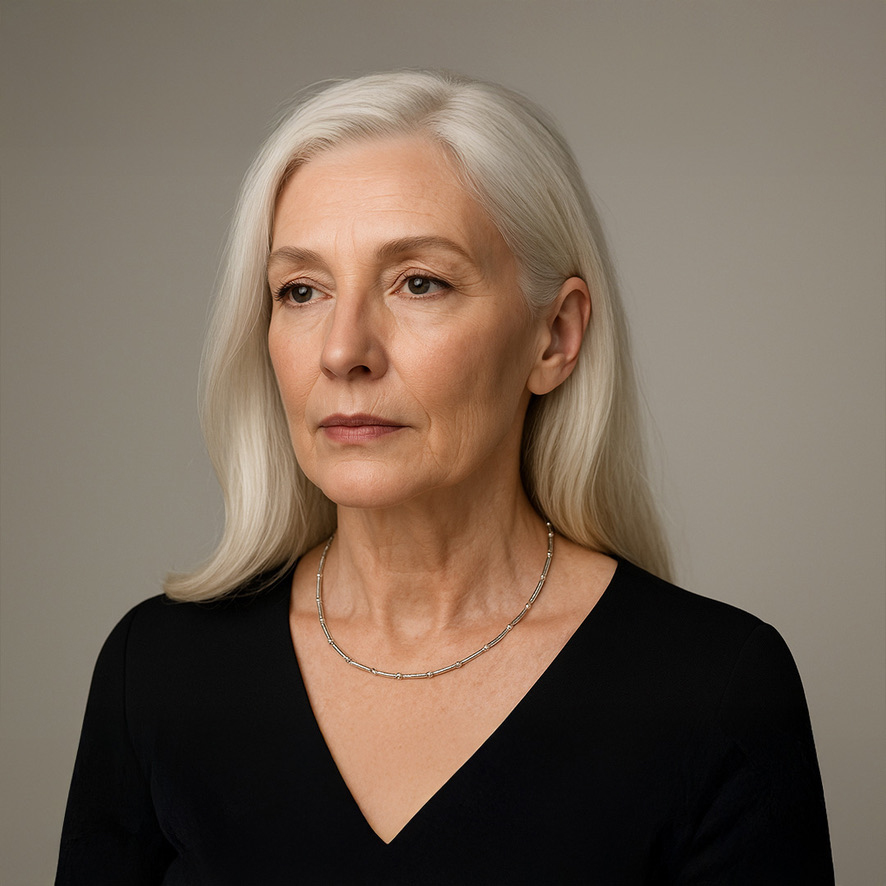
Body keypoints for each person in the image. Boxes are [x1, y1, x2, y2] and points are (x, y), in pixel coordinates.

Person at [56, 70, 834, 885]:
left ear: (554, 338)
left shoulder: (714, 692)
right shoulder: (159, 673)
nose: (342, 349)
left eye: (418, 282)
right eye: (301, 290)